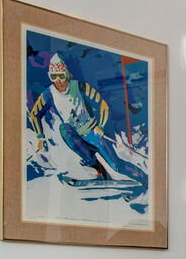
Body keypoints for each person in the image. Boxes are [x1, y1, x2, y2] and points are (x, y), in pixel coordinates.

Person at [26, 52, 143, 182]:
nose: (58, 81)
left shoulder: (80, 86)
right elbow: (34, 114)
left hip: (93, 132)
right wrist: (40, 137)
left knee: (116, 165)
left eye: (61, 76)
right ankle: (97, 170)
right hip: (77, 136)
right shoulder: (48, 94)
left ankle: (146, 180)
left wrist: (101, 126)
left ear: (67, 75)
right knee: (64, 128)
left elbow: (102, 105)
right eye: (54, 77)